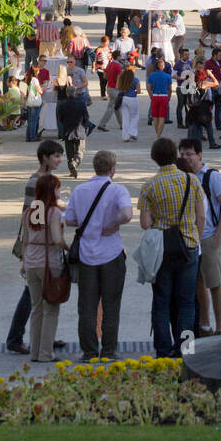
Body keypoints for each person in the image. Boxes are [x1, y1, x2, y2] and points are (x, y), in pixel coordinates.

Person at [139, 138, 205, 359]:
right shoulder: (191, 181)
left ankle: (162, 350)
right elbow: (200, 216)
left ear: (154, 158)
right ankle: (186, 349)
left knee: (161, 302)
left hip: (162, 251)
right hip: (188, 245)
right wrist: (195, 238)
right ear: (175, 154)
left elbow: (145, 223)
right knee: (187, 302)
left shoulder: (149, 186)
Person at [64, 151, 133, 361]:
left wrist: (90, 222)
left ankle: (89, 351)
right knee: (112, 304)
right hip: (112, 254)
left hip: (86, 255)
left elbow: (69, 220)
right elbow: (127, 214)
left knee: (87, 306)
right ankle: (109, 350)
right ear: (113, 169)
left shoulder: (80, 190)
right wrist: (113, 224)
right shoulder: (118, 190)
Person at [6, 139, 65, 354]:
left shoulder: (47, 179)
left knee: (37, 296)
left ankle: (42, 338)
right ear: (44, 158)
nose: (60, 160)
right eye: (56, 156)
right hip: (37, 249)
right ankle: (16, 338)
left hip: (36, 249)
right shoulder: (37, 181)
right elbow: (35, 217)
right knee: (32, 296)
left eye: (61, 155)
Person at [178, 137, 221, 337]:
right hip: (190, 238)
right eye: (182, 154)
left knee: (214, 283)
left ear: (200, 155)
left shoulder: (211, 176)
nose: (185, 157)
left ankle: (220, 328)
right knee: (198, 284)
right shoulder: (182, 176)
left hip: (208, 238)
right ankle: (205, 324)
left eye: (189, 153)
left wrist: (218, 234)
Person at [21, 172, 69, 362]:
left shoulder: (30, 211)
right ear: (52, 191)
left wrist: (24, 263)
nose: (60, 191)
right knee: (51, 309)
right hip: (49, 263)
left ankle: (35, 352)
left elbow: (25, 240)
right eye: (57, 187)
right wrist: (69, 246)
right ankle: (46, 353)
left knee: (36, 308)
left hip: (31, 262)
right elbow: (57, 239)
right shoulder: (53, 212)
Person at [62, 71, 91, 176]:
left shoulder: (63, 105)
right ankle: (75, 163)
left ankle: (71, 166)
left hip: (68, 131)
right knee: (80, 151)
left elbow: (60, 118)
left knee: (69, 152)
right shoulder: (81, 104)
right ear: (75, 93)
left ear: (66, 93)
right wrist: (85, 125)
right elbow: (86, 117)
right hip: (79, 130)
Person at [146, 55, 172, 138]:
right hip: (164, 97)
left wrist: (151, 96)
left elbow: (148, 88)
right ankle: (158, 135)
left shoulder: (151, 76)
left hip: (155, 96)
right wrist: (169, 98)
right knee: (162, 117)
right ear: (163, 66)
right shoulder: (167, 76)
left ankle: (158, 134)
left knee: (155, 117)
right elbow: (170, 89)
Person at [117, 64, 140, 142]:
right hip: (133, 98)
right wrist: (135, 91)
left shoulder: (121, 77)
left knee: (125, 118)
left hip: (123, 98)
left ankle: (125, 137)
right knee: (135, 116)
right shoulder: (136, 79)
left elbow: (118, 87)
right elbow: (139, 91)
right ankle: (133, 133)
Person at [24, 67, 43, 142]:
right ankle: (32, 137)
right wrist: (43, 89)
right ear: (34, 73)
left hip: (29, 101)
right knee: (34, 121)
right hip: (35, 102)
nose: (38, 73)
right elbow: (39, 91)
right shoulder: (35, 80)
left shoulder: (28, 79)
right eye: (37, 71)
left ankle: (28, 136)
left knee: (30, 121)